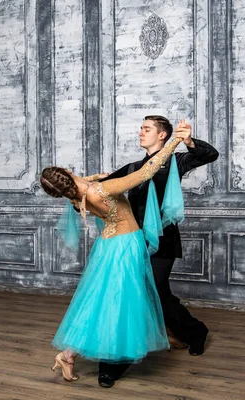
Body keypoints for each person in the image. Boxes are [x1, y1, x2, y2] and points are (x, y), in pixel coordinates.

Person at [40, 125, 189, 384]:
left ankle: (69, 353)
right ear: (66, 171)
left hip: (107, 246)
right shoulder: (99, 190)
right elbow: (146, 172)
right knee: (121, 301)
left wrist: (98, 176)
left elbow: (82, 182)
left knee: (102, 300)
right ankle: (79, 353)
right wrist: (174, 142)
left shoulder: (76, 194)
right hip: (125, 244)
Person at [97, 116, 219, 388]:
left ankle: (194, 331)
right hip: (130, 242)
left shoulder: (174, 162)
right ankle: (115, 360)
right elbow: (102, 189)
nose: (140, 132)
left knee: (155, 293)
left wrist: (187, 141)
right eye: (140, 127)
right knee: (140, 294)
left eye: (146, 128)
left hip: (162, 241)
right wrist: (78, 191)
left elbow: (210, 154)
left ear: (162, 135)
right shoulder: (132, 167)